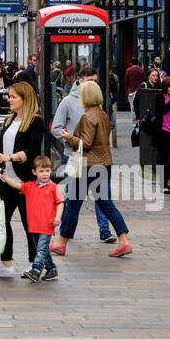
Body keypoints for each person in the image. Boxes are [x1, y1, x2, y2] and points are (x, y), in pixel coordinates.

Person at [57, 79, 133, 258]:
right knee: (105, 203)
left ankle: (61, 242)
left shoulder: (88, 116)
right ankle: (123, 240)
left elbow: (86, 143)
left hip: (87, 165)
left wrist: (68, 137)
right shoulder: (102, 114)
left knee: (73, 204)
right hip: (102, 164)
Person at [50, 66, 114, 243]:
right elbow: (56, 128)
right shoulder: (68, 102)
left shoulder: (97, 102)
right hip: (74, 156)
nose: (93, 84)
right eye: (89, 81)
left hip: (96, 159)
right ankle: (64, 232)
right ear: (80, 81)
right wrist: (69, 142)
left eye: (95, 81)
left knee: (102, 196)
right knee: (72, 197)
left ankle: (104, 230)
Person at [0, 81, 44, 277]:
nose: (8, 99)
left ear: (25, 99)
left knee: (30, 223)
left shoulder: (36, 121)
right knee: (1, 222)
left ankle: (34, 262)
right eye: (9, 96)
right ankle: (6, 263)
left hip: (25, 181)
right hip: (6, 179)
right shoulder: (9, 119)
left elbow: (32, 151)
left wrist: (11, 157)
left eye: (13, 97)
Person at [0, 155, 65, 281]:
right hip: (34, 226)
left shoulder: (53, 187)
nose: (45, 174)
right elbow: (17, 186)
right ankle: (52, 269)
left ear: (51, 171)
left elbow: (60, 202)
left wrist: (58, 216)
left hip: (47, 225)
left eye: (47, 171)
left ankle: (36, 270)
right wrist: (5, 177)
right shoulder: (30, 186)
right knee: (42, 250)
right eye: (41, 171)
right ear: (34, 172)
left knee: (40, 250)